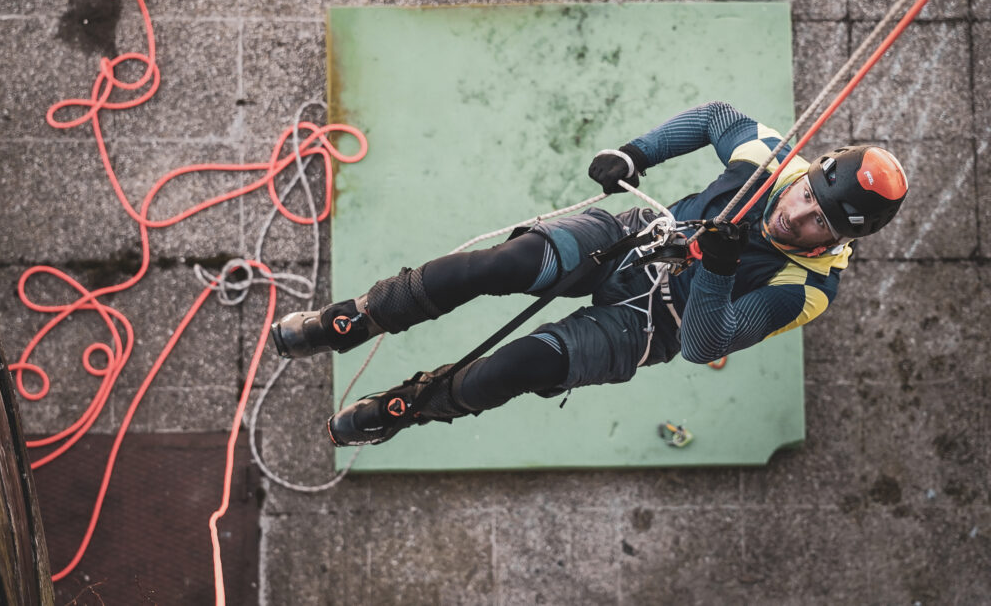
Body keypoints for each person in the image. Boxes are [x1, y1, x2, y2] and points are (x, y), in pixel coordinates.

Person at [271, 101, 908, 447]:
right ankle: (353, 320)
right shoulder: (773, 162)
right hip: (632, 238)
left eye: (821, 225)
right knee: (500, 265)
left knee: (517, 367)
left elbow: (703, 346)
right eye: (806, 200)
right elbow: (717, 118)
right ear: (811, 175)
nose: (797, 218)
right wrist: (637, 152)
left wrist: (715, 272)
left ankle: (413, 406)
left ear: (845, 239)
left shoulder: (809, 290)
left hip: (656, 325)